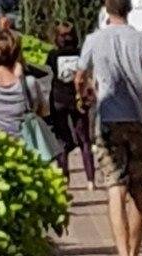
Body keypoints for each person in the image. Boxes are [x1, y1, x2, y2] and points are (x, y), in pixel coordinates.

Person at [75, 0, 142, 256]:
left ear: (106, 8)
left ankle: (122, 251)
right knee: (139, 189)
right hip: (139, 120)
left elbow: (79, 77)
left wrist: (84, 96)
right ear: (129, 10)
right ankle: (135, 251)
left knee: (115, 186)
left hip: (109, 119)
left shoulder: (94, 40)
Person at [47, 22, 95, 188]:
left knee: (60, 139)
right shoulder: (81, 53)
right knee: (84, 140)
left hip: (58, 100)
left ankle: (64, 179)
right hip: (77, 99)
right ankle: (90, 180)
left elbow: (49, 74)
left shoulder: (53, 55)